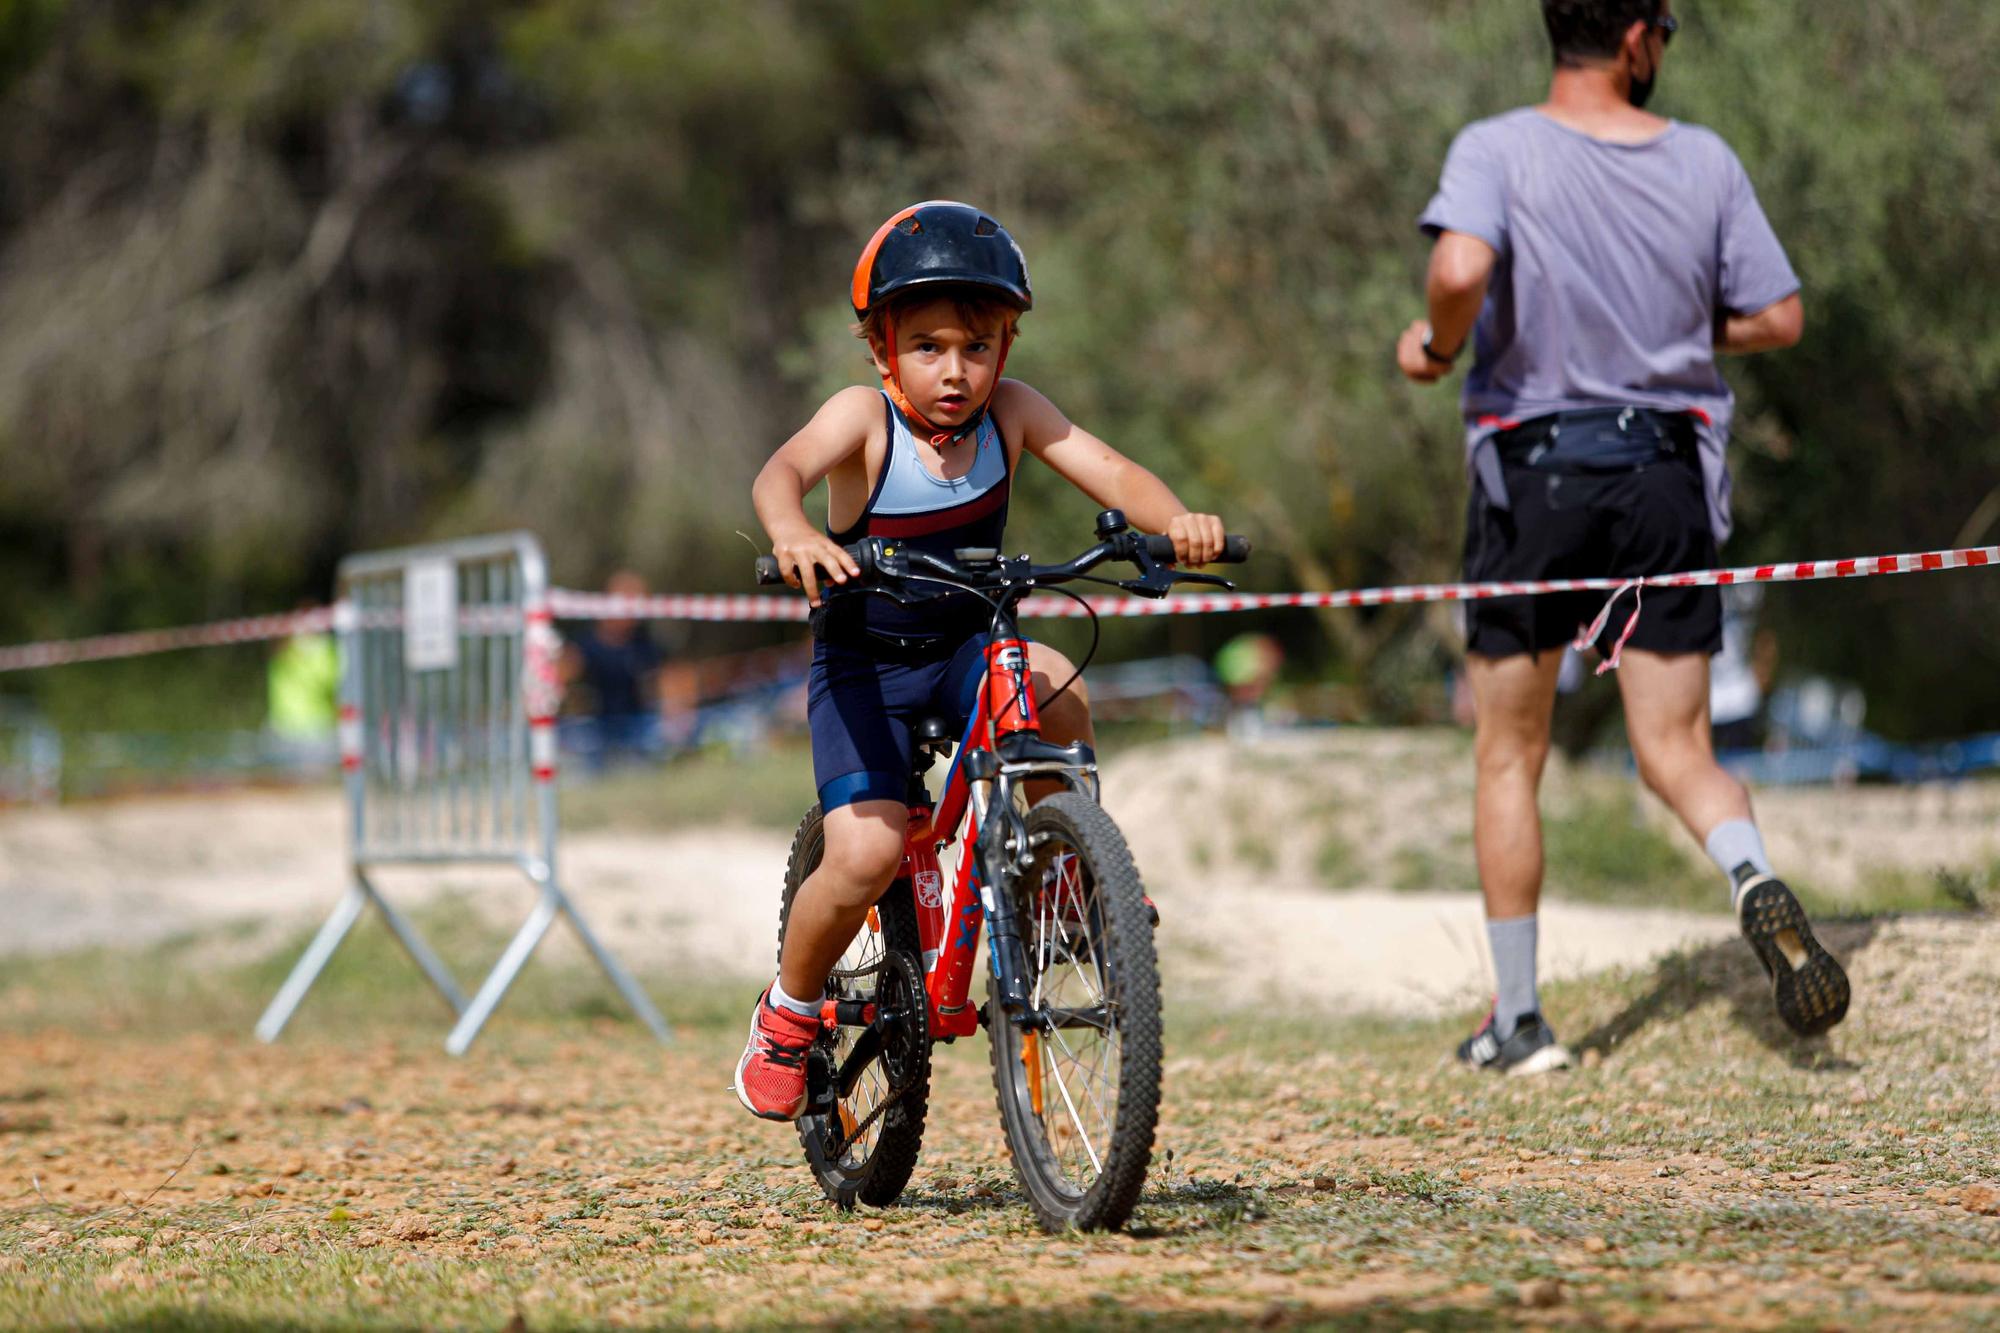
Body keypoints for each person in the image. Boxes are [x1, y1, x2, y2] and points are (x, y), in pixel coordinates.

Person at [1398, 0, 1847, 1073]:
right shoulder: (1702, 159)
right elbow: (1779, 315)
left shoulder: (1495, 147)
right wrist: (1664, 330)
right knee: (1676, 749)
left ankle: (1517, 1023)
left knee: (1509, 752)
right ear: (1638, 35)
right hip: (1661, 475)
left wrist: (1435, 344)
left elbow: (1457, 272)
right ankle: (1746, 873)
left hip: (1533, 478)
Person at [734, 200, 1228, 1120]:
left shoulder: (1013, 414)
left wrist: (1179, 522)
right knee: (867, 855)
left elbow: (1117, 474)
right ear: (883, 351)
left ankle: (1062, 880)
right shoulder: (863, 418)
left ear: (1006, 346)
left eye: (977, 345)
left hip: (967, 641)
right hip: (865, 666)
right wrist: (793, 529)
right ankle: (789, 1010)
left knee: (1058, 690)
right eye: (927, 346)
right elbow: (780, 473)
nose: (955, 370)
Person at [561, 570, 668, 770]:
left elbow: (666, 679)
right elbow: (561, 676)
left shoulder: (644, 643)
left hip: (637, 732)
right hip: (593, 735)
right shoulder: (585, 644)